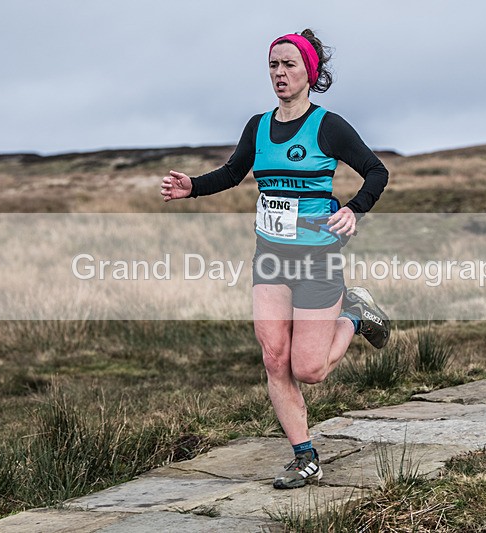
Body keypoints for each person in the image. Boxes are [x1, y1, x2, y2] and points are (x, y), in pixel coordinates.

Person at [160, 29, 390, 489]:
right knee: (274, 357)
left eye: (289, 65)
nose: (280, 74)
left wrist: (352, 208)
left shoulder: (328, 126)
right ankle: (305, 456)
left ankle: (356, 315)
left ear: (310, 73)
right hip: (270, 257)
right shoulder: (258, 126)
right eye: (273, 65)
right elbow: (232, 172)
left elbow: (376, 171)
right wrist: (193, 187)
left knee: (310, 369)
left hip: (318, 259)